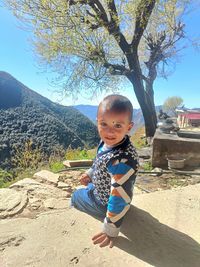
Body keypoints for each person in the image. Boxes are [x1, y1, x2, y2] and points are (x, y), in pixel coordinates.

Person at [71, 94, 139, 248]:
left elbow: (120, 196)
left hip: (104, 202)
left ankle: (75, 205)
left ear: (129, 127)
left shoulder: (122, 160)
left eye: (118, 126)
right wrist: (89, 174)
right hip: (104, 188)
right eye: (104, 124)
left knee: (76, 195)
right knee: (88, 186)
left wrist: (110, 229)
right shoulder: (107, 143)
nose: (109, 132)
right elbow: (99, 162)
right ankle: (90, 189)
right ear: (97, 123)